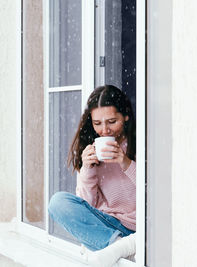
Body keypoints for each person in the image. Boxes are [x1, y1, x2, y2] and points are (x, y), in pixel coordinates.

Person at [48, 85, 137, 267]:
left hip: (139, 228)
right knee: (58, 202)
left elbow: (153, 195)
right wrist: (87, 168)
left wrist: (125, 162)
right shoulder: (92, 150)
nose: (105, 130)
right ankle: (119, 247)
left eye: (112, 121)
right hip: (108, 227)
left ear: (125, 117)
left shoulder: (141, 144)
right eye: (97, 123)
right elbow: (87, 204)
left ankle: (115, 248)